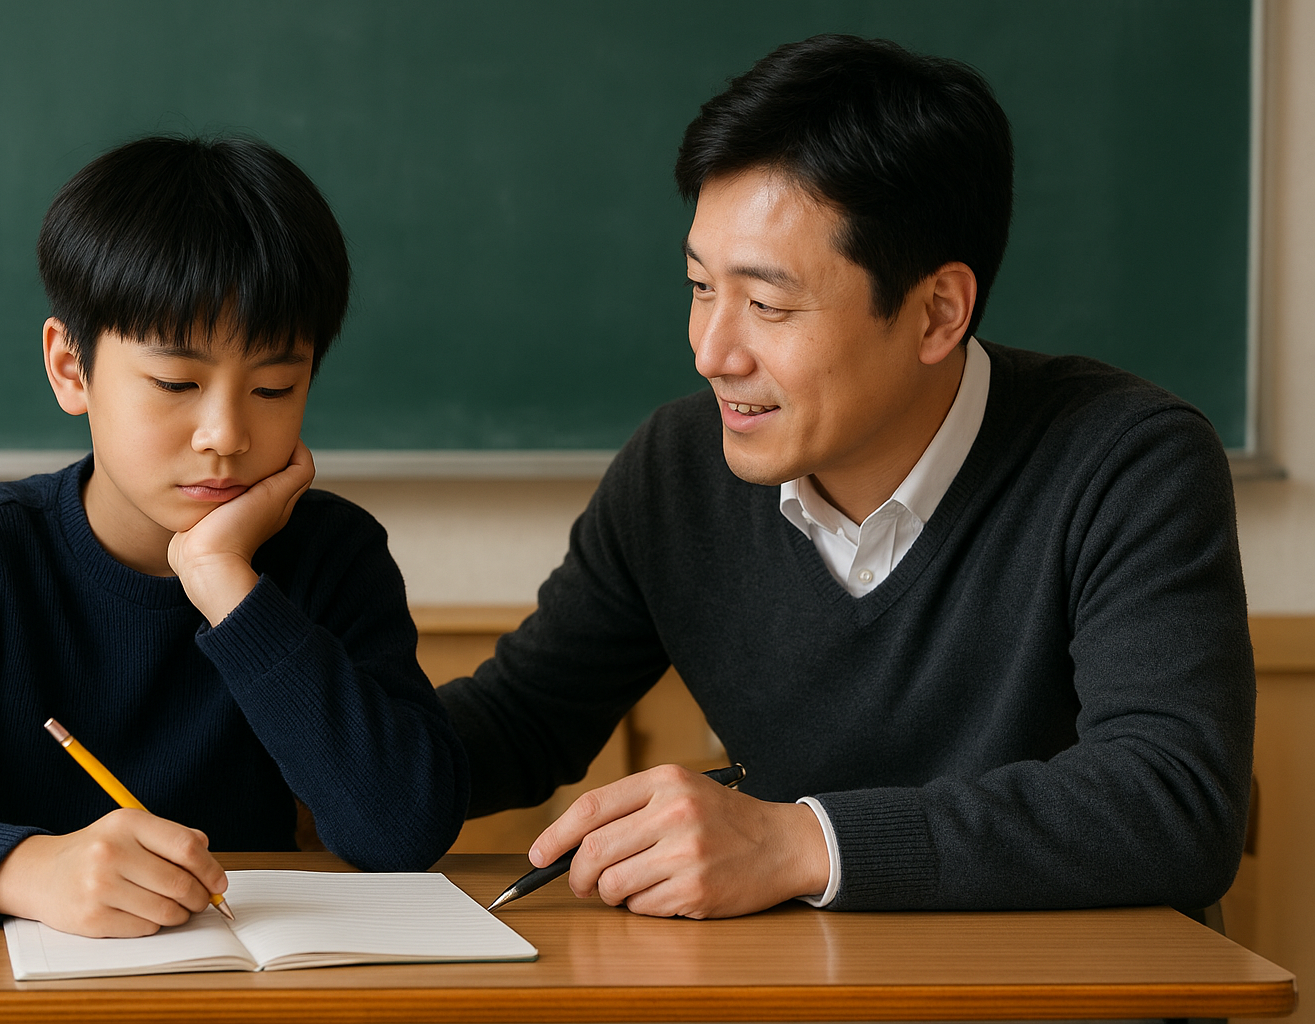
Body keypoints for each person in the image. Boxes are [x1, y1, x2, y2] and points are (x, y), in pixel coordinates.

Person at [437, 35, 1254, 918]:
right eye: (699, 286)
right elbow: (516, 725)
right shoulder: (676, 472)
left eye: (768, 304)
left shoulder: (1128, 461)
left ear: (938, 311)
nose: (711, 352)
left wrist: (797, 841)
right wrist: (275, 667)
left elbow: (1174, 802)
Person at [0, 135, 468, 936]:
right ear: (71, 369)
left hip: (251, 982)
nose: (226, 433)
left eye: (275, 386)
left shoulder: (334, 554)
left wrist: (223, 580)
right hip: (1, 989)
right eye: (177, 383)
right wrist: (29, 869)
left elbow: (402, 830)